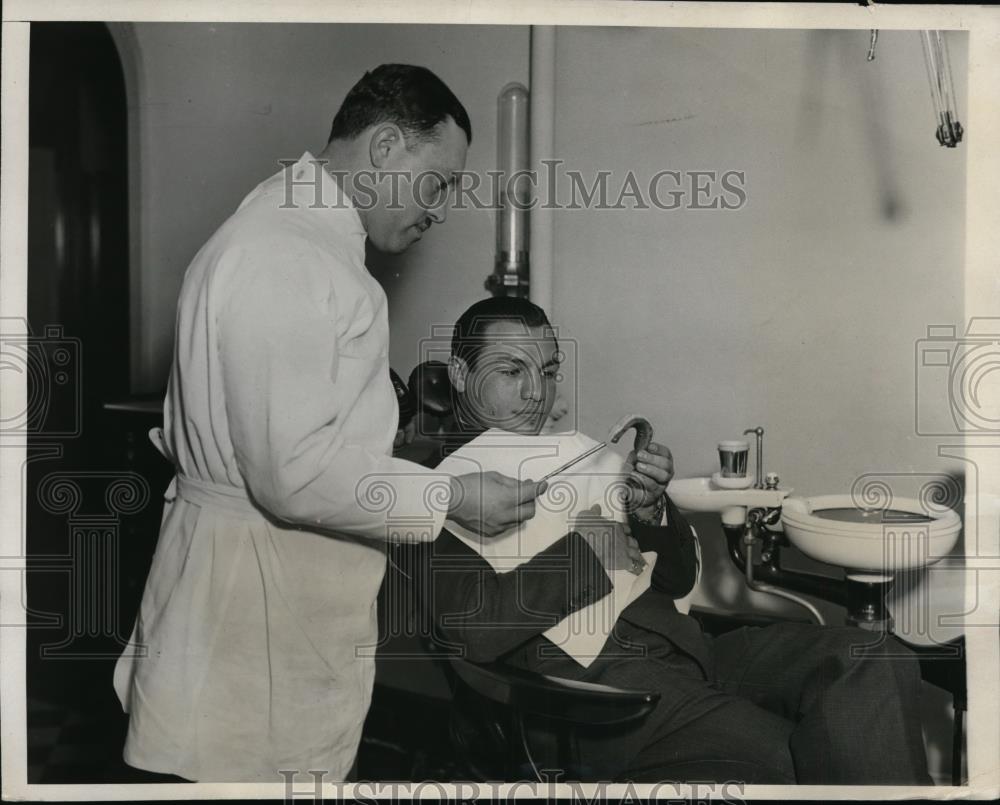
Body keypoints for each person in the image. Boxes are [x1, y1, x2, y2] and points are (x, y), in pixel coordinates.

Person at [113, 65, 546, 783]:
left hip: (259, 593)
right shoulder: (289, 254)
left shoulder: (289, 231)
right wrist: (451, 496)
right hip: (251, 610)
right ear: (383, 148)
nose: (439, 210)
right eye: (438, 182)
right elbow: (296, 474)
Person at [417, 295, 933, 785]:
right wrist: (584, 556)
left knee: (874, 656)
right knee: (806, 758)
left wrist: (649, 510)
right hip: (599, 697)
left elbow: (678, 578)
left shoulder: (577, 452)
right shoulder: (440, 490)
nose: (537, 393)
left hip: (688, 650)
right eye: (511, 372)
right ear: (462, 375)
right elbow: (470, 633)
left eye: (549, 371)